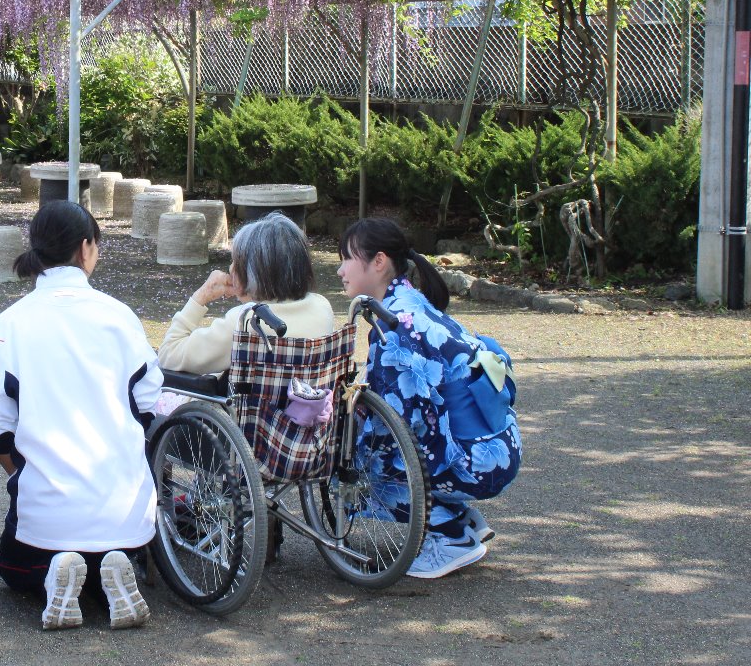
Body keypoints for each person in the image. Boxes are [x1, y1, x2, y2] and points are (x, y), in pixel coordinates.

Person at [0, 201, 160, 631]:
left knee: (13, 569)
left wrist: (17, 468)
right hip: (122, 503)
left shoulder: (11, 322)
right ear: (85, 248)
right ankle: (112, 566)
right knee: (108, 546)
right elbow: (148, 396)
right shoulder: (119, 316)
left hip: (47, 498)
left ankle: (55, 577)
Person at [337, 217, 521, 580]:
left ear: (378, 262)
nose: (340, 269)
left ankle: (449, 537)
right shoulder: (411, 302)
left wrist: (348, 430)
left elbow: (400, 422)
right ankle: (462, 518)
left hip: (476, 461)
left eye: (347, 259)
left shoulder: (394, 327)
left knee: (356, 466)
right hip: (497, 445)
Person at [158, 213, 336, 375]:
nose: (231, 269)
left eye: (237, 262)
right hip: (309, 407)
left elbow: (169, 354)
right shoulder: (322, 307)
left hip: (244, 410)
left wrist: (202, 295)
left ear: (256, 275)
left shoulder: (245, 323)